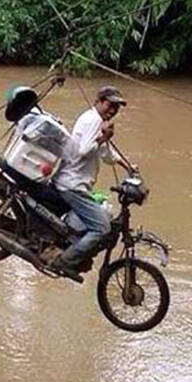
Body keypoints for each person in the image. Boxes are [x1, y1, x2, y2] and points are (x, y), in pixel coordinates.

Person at [52, 86, 133, 276]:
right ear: (99, 101)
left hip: (75, 184)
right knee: (102, 228)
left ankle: (70, 248)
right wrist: (104, 136)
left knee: (101, 214)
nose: (112, 110)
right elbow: (84, 150)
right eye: (109, 105)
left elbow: (104, 153)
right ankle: (65, 261)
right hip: (72, 185)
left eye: (116, 108)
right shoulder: (93, 121)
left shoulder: (96, 120)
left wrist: (127, 166)